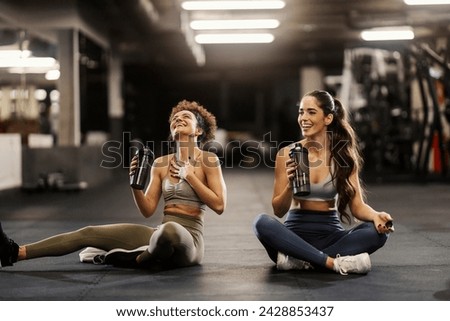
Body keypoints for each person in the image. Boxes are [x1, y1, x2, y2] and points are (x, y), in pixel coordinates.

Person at [0, 100, 226, 269]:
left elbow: (219, 205)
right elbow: (148, 210)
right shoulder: (160, 164)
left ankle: (138, 259)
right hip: (158, 235)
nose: (178, 119)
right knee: (88, 233)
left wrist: (190, 176)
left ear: (198, 131)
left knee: (168, 232)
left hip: (190, 241)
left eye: (186, 117)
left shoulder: (208, 160)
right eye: (175, 119)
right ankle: (16, 252)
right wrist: (134, 184)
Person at [253, 90, 394, 275]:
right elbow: (278, 210)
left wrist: (377, 216)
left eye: (311, 112)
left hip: (331, 235)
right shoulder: (286, 154)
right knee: (261, 223)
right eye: (301, 112)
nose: (303, 117)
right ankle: (332, 263)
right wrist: (290, 184)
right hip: (293, 236)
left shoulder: (343, 156)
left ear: (328, 118)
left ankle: (300, 260)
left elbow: (357, 206)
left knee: (376, 234)